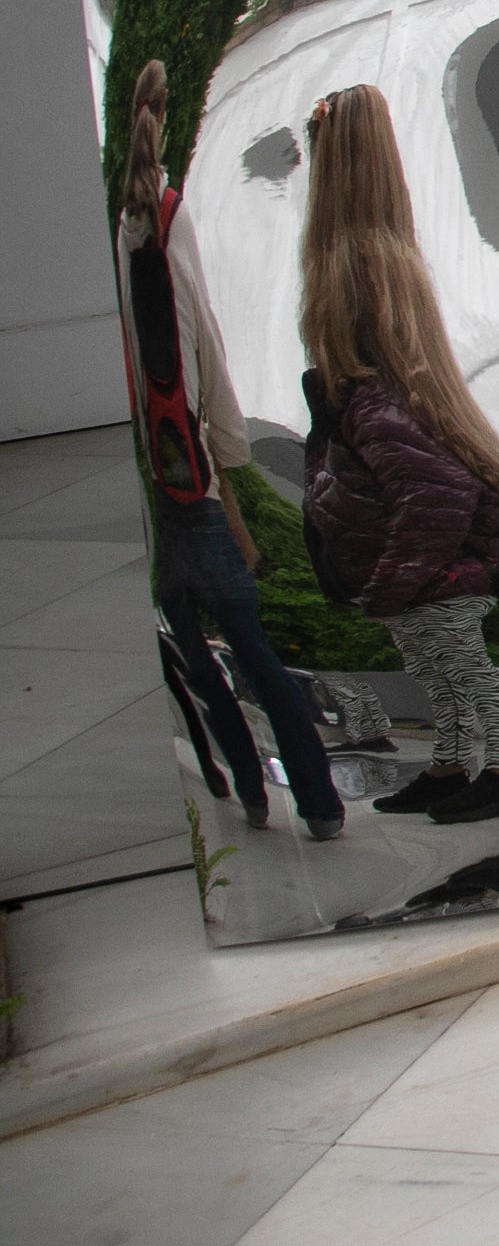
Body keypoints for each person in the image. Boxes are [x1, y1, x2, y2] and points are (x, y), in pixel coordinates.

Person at [114, 59, 347, 841]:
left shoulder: (124, 226)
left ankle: (251, 793)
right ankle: (317, 804)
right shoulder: (172, 214)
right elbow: (201, 342)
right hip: (197, 491)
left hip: (158, 487)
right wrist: (228, 459)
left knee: (201, 659)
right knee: (258, 659)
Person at [298, 84, 499, 826]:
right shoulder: (381, 380)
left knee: (459, 666)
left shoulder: (374, 401)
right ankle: (451, 764)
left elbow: (434, 493)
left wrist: (393, 580)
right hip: (421, 564)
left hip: (433, 569)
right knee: (438, 669)